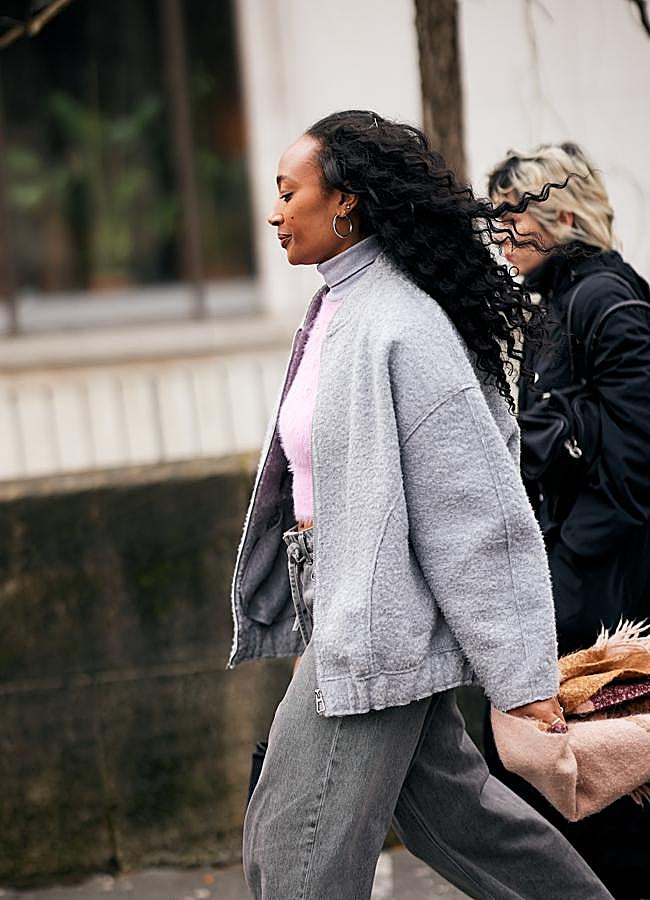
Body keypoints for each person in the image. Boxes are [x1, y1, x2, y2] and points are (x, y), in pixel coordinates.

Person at [229, 111, 611, 900]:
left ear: (345, 203)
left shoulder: (400, 322)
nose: (272, 212)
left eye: (286, 191)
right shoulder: (339, 306)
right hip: (345, 608)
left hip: (373, 621)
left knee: (291, 853)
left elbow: (474, 509)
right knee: (471, 828)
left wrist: (521, 675)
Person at [486, 142, 650, 899]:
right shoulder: (557, 304)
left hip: (605, 594)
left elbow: (637, 473)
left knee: (588, 773)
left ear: (561, 215)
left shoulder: (605, 301)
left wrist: (557, 578)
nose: (500, 234)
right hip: (581, 582)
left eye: (511, 218)